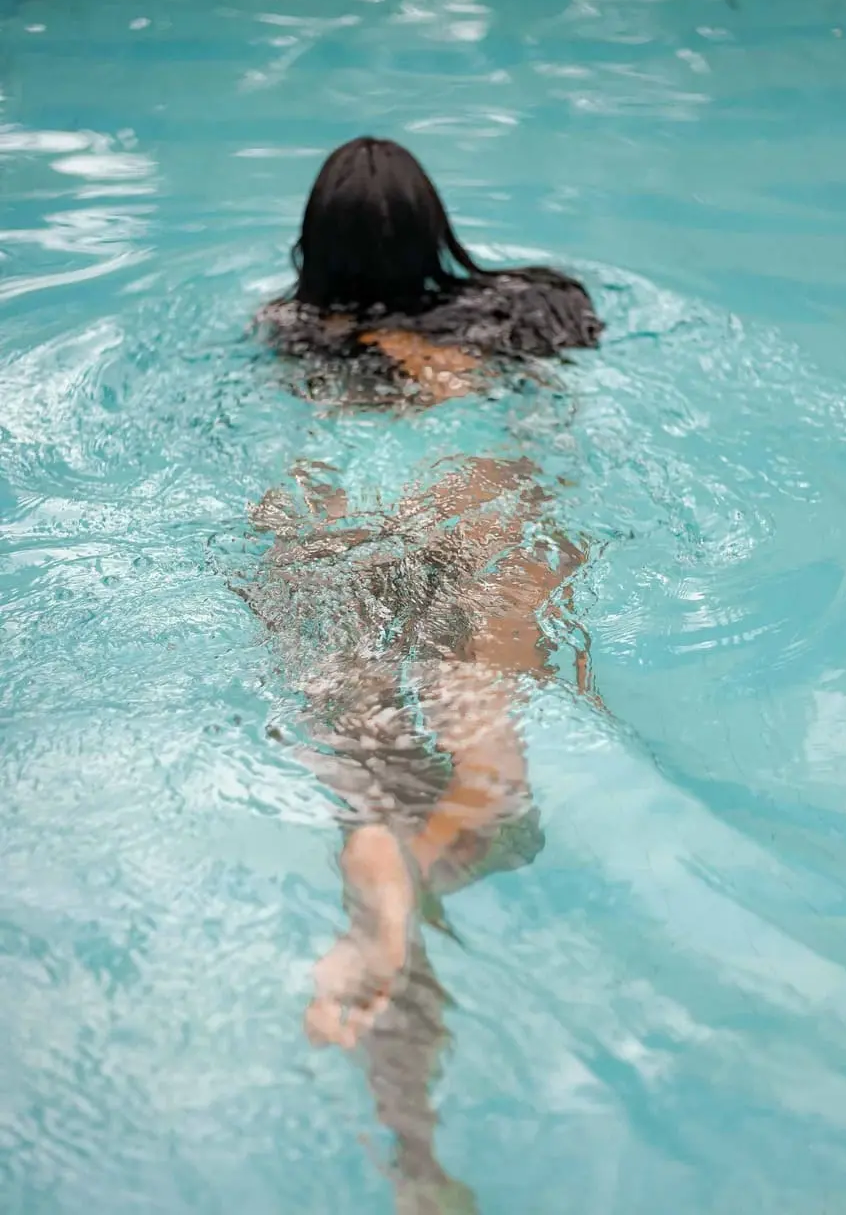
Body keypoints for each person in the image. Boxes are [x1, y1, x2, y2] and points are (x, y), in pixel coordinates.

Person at [249, 136, 603, 1211]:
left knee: (360, 766)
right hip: (469, 504)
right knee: (485, 748)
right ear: (437, 228)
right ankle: (443, 833)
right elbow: (572, 363)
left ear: (310, 246)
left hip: (325, 532)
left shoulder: (286, 332)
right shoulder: (529, 307)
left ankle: (410, 1150)